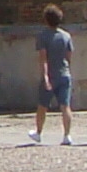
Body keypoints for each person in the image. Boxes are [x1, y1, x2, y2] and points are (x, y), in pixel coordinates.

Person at [28, 8, 75, 145]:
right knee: (65, 106)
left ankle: (38, 132)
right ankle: (67, 135)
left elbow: (43, 59)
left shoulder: (43, 36)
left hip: (51, 75)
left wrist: (45, 76)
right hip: (64, 74)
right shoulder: (66, 36)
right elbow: (69, 57)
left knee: (43, 106)